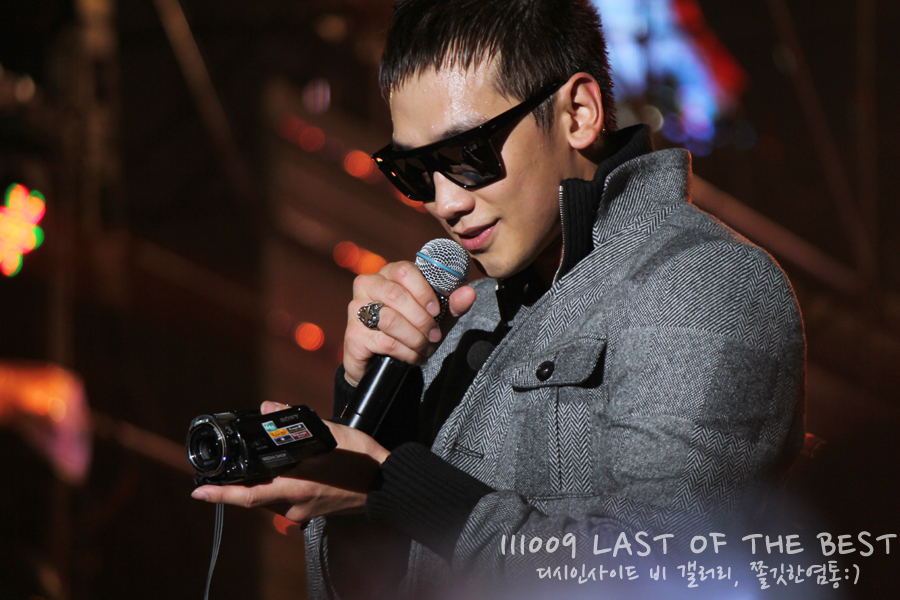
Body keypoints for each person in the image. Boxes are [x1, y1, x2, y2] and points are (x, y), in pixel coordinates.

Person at [192, 0, 806, 597]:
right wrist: (370, 408)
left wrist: (395, 486)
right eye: (414, 171)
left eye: (468, 155)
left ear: (579, 113)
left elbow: (654, 569)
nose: (445, 202)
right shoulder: (464, 317)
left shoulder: (705, 282)